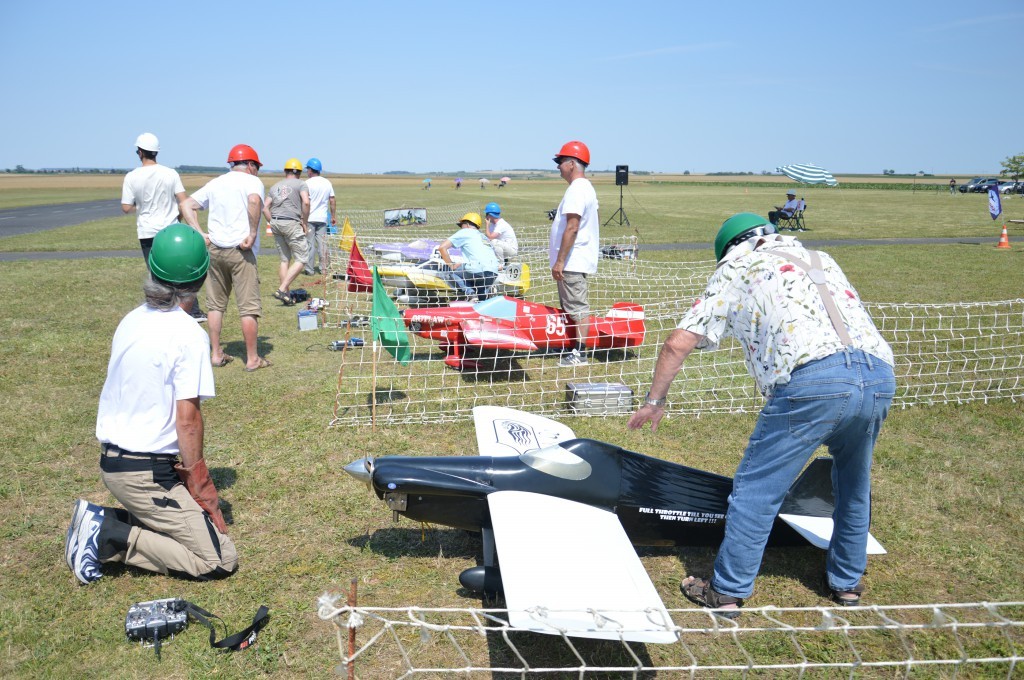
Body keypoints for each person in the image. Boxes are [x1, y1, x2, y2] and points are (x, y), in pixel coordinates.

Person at [627, 212, 896, 614]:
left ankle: (727, 592)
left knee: (757, 489)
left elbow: (677, 344)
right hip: (878, 376)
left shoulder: (738, 264)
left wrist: (654, 401)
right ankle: (847, 584)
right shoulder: (821, 257)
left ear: (729, 248)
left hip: (813, 381)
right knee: (853, 485)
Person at [64, 224, 237, 584]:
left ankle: (98, 522)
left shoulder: (131, 319)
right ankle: (108, 536)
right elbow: (187, 421)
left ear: (153, 269)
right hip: (145, 474)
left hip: (115, 461)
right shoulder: (188, 334)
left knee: (190, 533)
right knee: (218, 559)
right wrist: (201, 486)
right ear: (201, 277)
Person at [180, 144, 271, 372]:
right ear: (250, 165)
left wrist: (199, 233)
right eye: (256, 167)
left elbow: (186, 204)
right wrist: (251, 233)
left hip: (215, 250)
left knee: (215, 305)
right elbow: (254, 202)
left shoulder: (216, 182)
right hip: (241, 251)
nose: (257, 171)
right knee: (248, 307)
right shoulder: (252, 182)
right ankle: (252, 359)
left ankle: (216, 353)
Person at [121, 133, 205, 321]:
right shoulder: (170, 173)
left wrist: (141, 204)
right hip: (171, 229)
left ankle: (160, 310)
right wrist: (179, 217)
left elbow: (126, 207)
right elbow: (184, 201)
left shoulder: (132, 176)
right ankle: (193, 310)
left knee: (156, 273)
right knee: (183, 269)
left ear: (140, 152)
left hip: (147, 231)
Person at [550, 140, 599, 367]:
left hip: (572, 261)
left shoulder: (577, 189)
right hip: (574, 260)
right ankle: (572, 346)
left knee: (578, 307)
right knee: (571, 306)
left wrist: (560, 261)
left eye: (560, 162)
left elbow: (572, 227)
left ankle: (580, 354)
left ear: (571, 164)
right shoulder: (584, 188)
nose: (558, 166)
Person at [263, 158, 310, 305]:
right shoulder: (302, 184)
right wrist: (305, 221)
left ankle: (287, 296)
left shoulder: (275, 186)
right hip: (291, 222)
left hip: (276, 222)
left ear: (285, 171)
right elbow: (306, 202)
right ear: (300, 172)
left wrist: (272, 221)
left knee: (284, 260)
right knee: (302, 258)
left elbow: (265, 207)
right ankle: (282, 289)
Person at [438, 212, 500, 301]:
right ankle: (482, 300)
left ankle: (470, 293)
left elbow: (442, 247)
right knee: (480, 290)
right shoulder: (483, 237)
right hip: (493, 272)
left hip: (477, 270)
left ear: (466, 225)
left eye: (461, 225)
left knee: (446, 269)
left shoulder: (465, 232)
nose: (460, 228)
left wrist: (451, 265)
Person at [304, 157, 335, 275]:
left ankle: (309, 269)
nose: (307, 172)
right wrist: (333, 216)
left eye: (307, 169)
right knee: (322, 245)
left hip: (310, 219)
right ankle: (324, 269)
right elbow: (332, 200)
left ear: (311, 170)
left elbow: (304, 202)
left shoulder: (306, 183)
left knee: (309, 244)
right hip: (322, 219)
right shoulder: (327, 183)